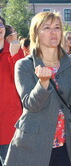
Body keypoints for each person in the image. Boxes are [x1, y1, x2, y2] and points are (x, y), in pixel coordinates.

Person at [4, 11, 71, 166]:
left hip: (64, 141)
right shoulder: (24, 65)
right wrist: (43, 83)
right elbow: (30, 105)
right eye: (46, 27)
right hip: (33, 143)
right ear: (36, 33)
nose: (53, 32)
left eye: (57, 27)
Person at [0, 17, 23, 165]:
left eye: (0, 24)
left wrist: (14, 56)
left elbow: (22, 79)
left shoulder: (14, 51)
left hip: (9, 121)